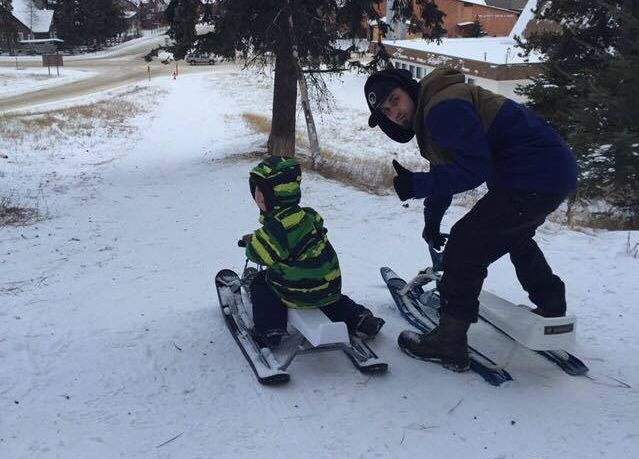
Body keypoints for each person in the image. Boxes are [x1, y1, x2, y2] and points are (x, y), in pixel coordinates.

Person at [364, 66, 578, 371]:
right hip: (549, 172)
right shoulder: (434, 108)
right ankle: (551, 305)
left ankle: (449, 341)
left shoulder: (441, 109)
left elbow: (473, 170)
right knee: (513, 235)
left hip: (533, 175)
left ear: (409, 89)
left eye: (395, 100)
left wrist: (417, 185)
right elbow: (449, 171)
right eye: (386, 110)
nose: (394, 113)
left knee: (464, 247)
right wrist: (432, 222)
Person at [244, 155, 385, 348]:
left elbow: (258, 253)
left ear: (276, 195)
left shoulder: (276, 229)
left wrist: (252, 243)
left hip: (298, 290)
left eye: (264, 191)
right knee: (330, 299)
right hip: (329, 283)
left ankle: (270, 330)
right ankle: (360, 319)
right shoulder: (309, 216)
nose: (259, 197)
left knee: (263, 283)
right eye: (256, 190)